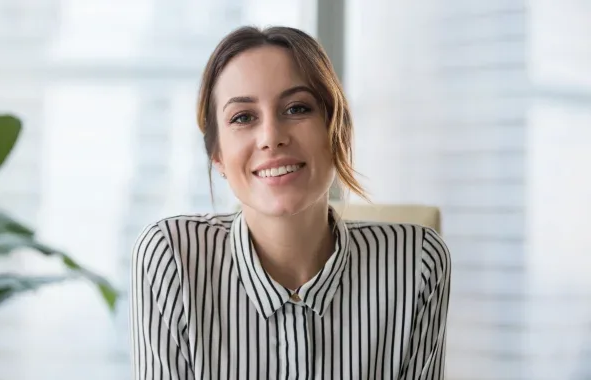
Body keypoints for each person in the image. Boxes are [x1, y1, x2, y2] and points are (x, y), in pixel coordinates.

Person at [130, 25, 451, 380]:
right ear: (218, 155)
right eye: (243, 117)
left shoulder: (416, 262)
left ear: (337, 132)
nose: (271, 137)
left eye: (297, 108)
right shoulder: (172, 257)